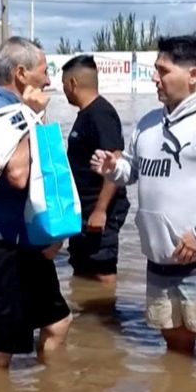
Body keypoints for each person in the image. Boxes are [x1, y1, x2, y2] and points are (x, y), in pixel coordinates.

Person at [91, 35, 196, 365]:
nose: (154, 77)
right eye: (155, 69)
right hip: (162, 255)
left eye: (162, 70)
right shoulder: (149, 123)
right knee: (175, 346)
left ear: (193, 75)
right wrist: (113, 168)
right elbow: (133, 171)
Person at [0, 36, 72, 372]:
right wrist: (32, 114)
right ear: (22, 73)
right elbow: (18, 174)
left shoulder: (13, 108)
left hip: (24, 240)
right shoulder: (0, 111)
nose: (49, 79)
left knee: (57, 321)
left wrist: (54, 232)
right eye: (43, 70)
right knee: (0, 348)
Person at [62, 54, 129, 284]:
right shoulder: (85, 115)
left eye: (63, 85)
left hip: (100, 210)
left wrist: (100, 210)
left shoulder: (100, 113)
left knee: (102, 272)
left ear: (72, 83)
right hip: (83, 210)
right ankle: (84, 318)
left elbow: (115, 162)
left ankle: (106, 316)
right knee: (81, 271)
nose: (63, 90)